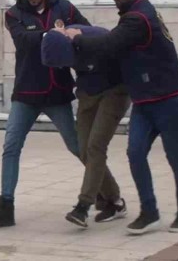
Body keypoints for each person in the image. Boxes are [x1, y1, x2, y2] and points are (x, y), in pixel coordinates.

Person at [63, 0, 178, 235]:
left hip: (170, 99)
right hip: (145, 101)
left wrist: (78, 37)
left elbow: (108, 45)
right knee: (135, 153)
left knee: (175, 156)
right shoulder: (134, 14)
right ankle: (149, 212)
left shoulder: (138, 18)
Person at [0, 0, 87, 227]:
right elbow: (23, 40)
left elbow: (85, 32)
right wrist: (52, 34)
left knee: (77, 146)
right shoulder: (14, 14)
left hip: (57, 92)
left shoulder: (65, 9)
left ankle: (108, 195)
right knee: (11, 146)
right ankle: (5, 206)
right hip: (26, 92)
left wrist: (74, 37)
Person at [43, 26, 132, 228]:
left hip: (115, 92)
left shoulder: (97, 39)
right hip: (88, 92)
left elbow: (127, 60)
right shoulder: (56, 44)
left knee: (96, 146)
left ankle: (83, 206)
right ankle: (115, 201)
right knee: (83, 150)